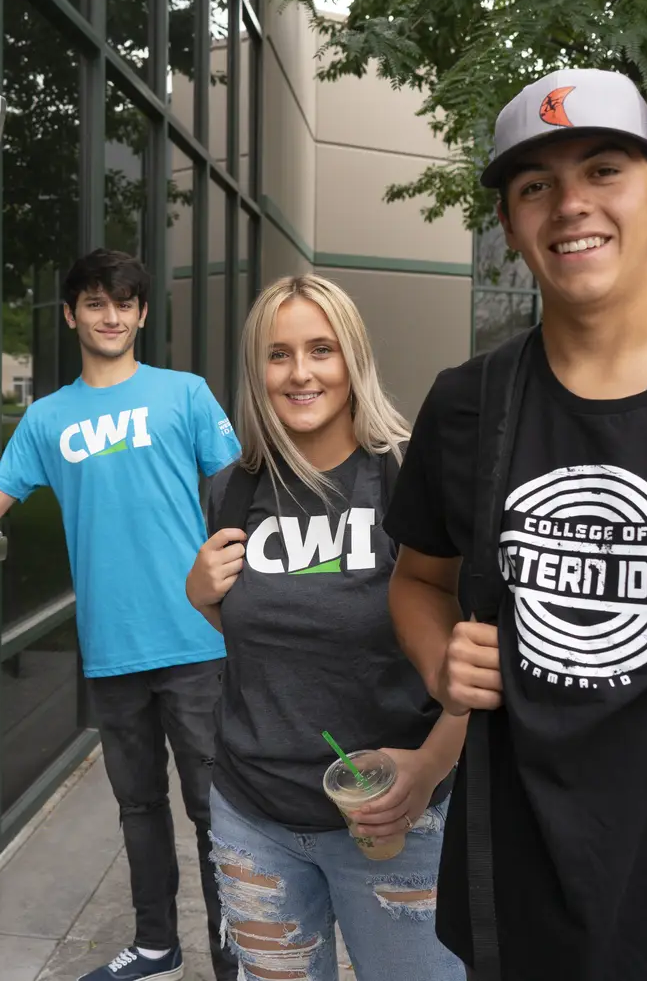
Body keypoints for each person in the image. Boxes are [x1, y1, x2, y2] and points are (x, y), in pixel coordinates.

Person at [387, 68, 647, 980]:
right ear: (512, 226)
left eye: (604, 170)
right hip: (520, 909)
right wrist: (440, 657)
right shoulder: (466, 403)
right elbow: (418, 580)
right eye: (534, 186)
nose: (570, 206)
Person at [0, 250, 242, 981]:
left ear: (142, 314)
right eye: (97, 304)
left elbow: (238, 496)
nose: (112, 317)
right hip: (111, 649)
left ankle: (235, 957)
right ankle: (156, 946)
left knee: (215, 814)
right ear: (71, 314)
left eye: (126, 304)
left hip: (197, 639)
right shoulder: (47, 418)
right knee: (139, 809)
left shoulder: (187, 395)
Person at [186, 274, 465, 981]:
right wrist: (202, 599)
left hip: (397, 818)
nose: (301, 372)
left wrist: (428, 768)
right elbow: (271, 642)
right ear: (258, 370)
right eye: (279, 355)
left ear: (354, 359)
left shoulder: (411, 476)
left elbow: (476, 656)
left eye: (321, 349)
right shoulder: (232, 488)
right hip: (255, 817)